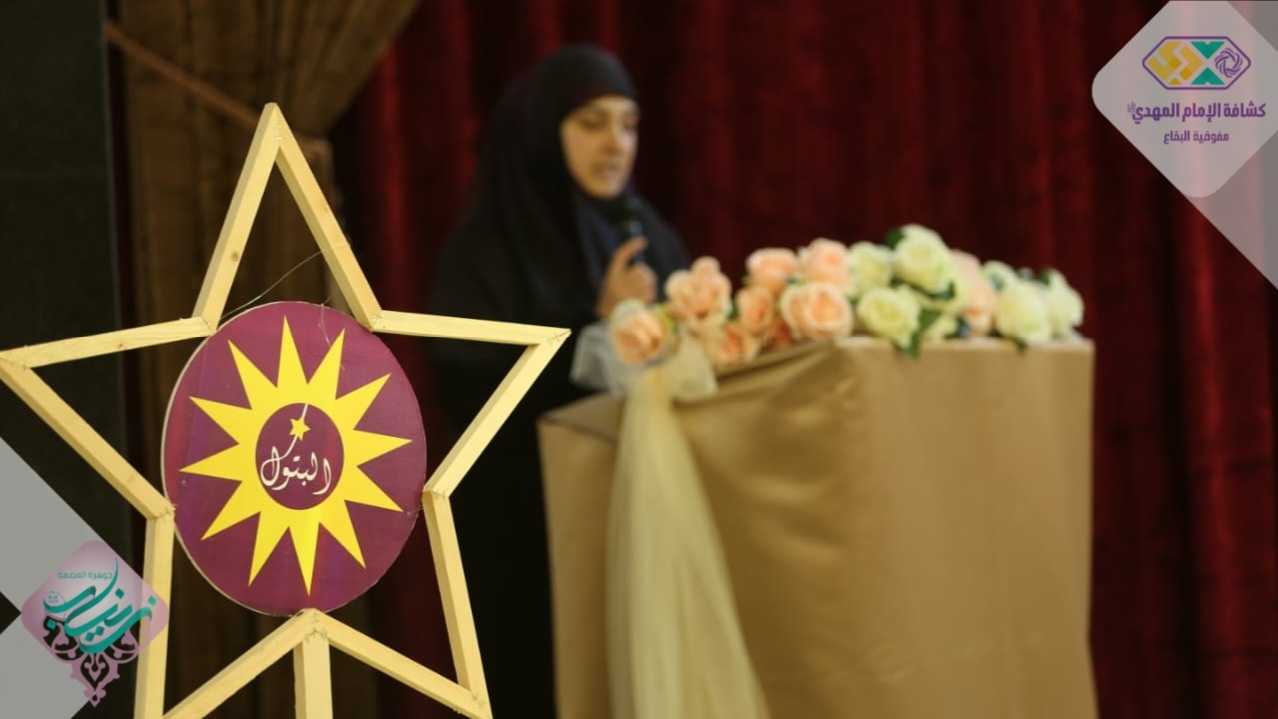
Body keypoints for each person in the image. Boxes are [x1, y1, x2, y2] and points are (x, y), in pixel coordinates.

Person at [428, 45, 689, 717]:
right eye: (592, 123)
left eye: (628, 124)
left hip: (639, 512)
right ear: (546, 131)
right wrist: (592, 323)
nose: (616, 144)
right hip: (525, 529)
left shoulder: (646, 235)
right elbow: (465, 376)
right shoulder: (490, 248)